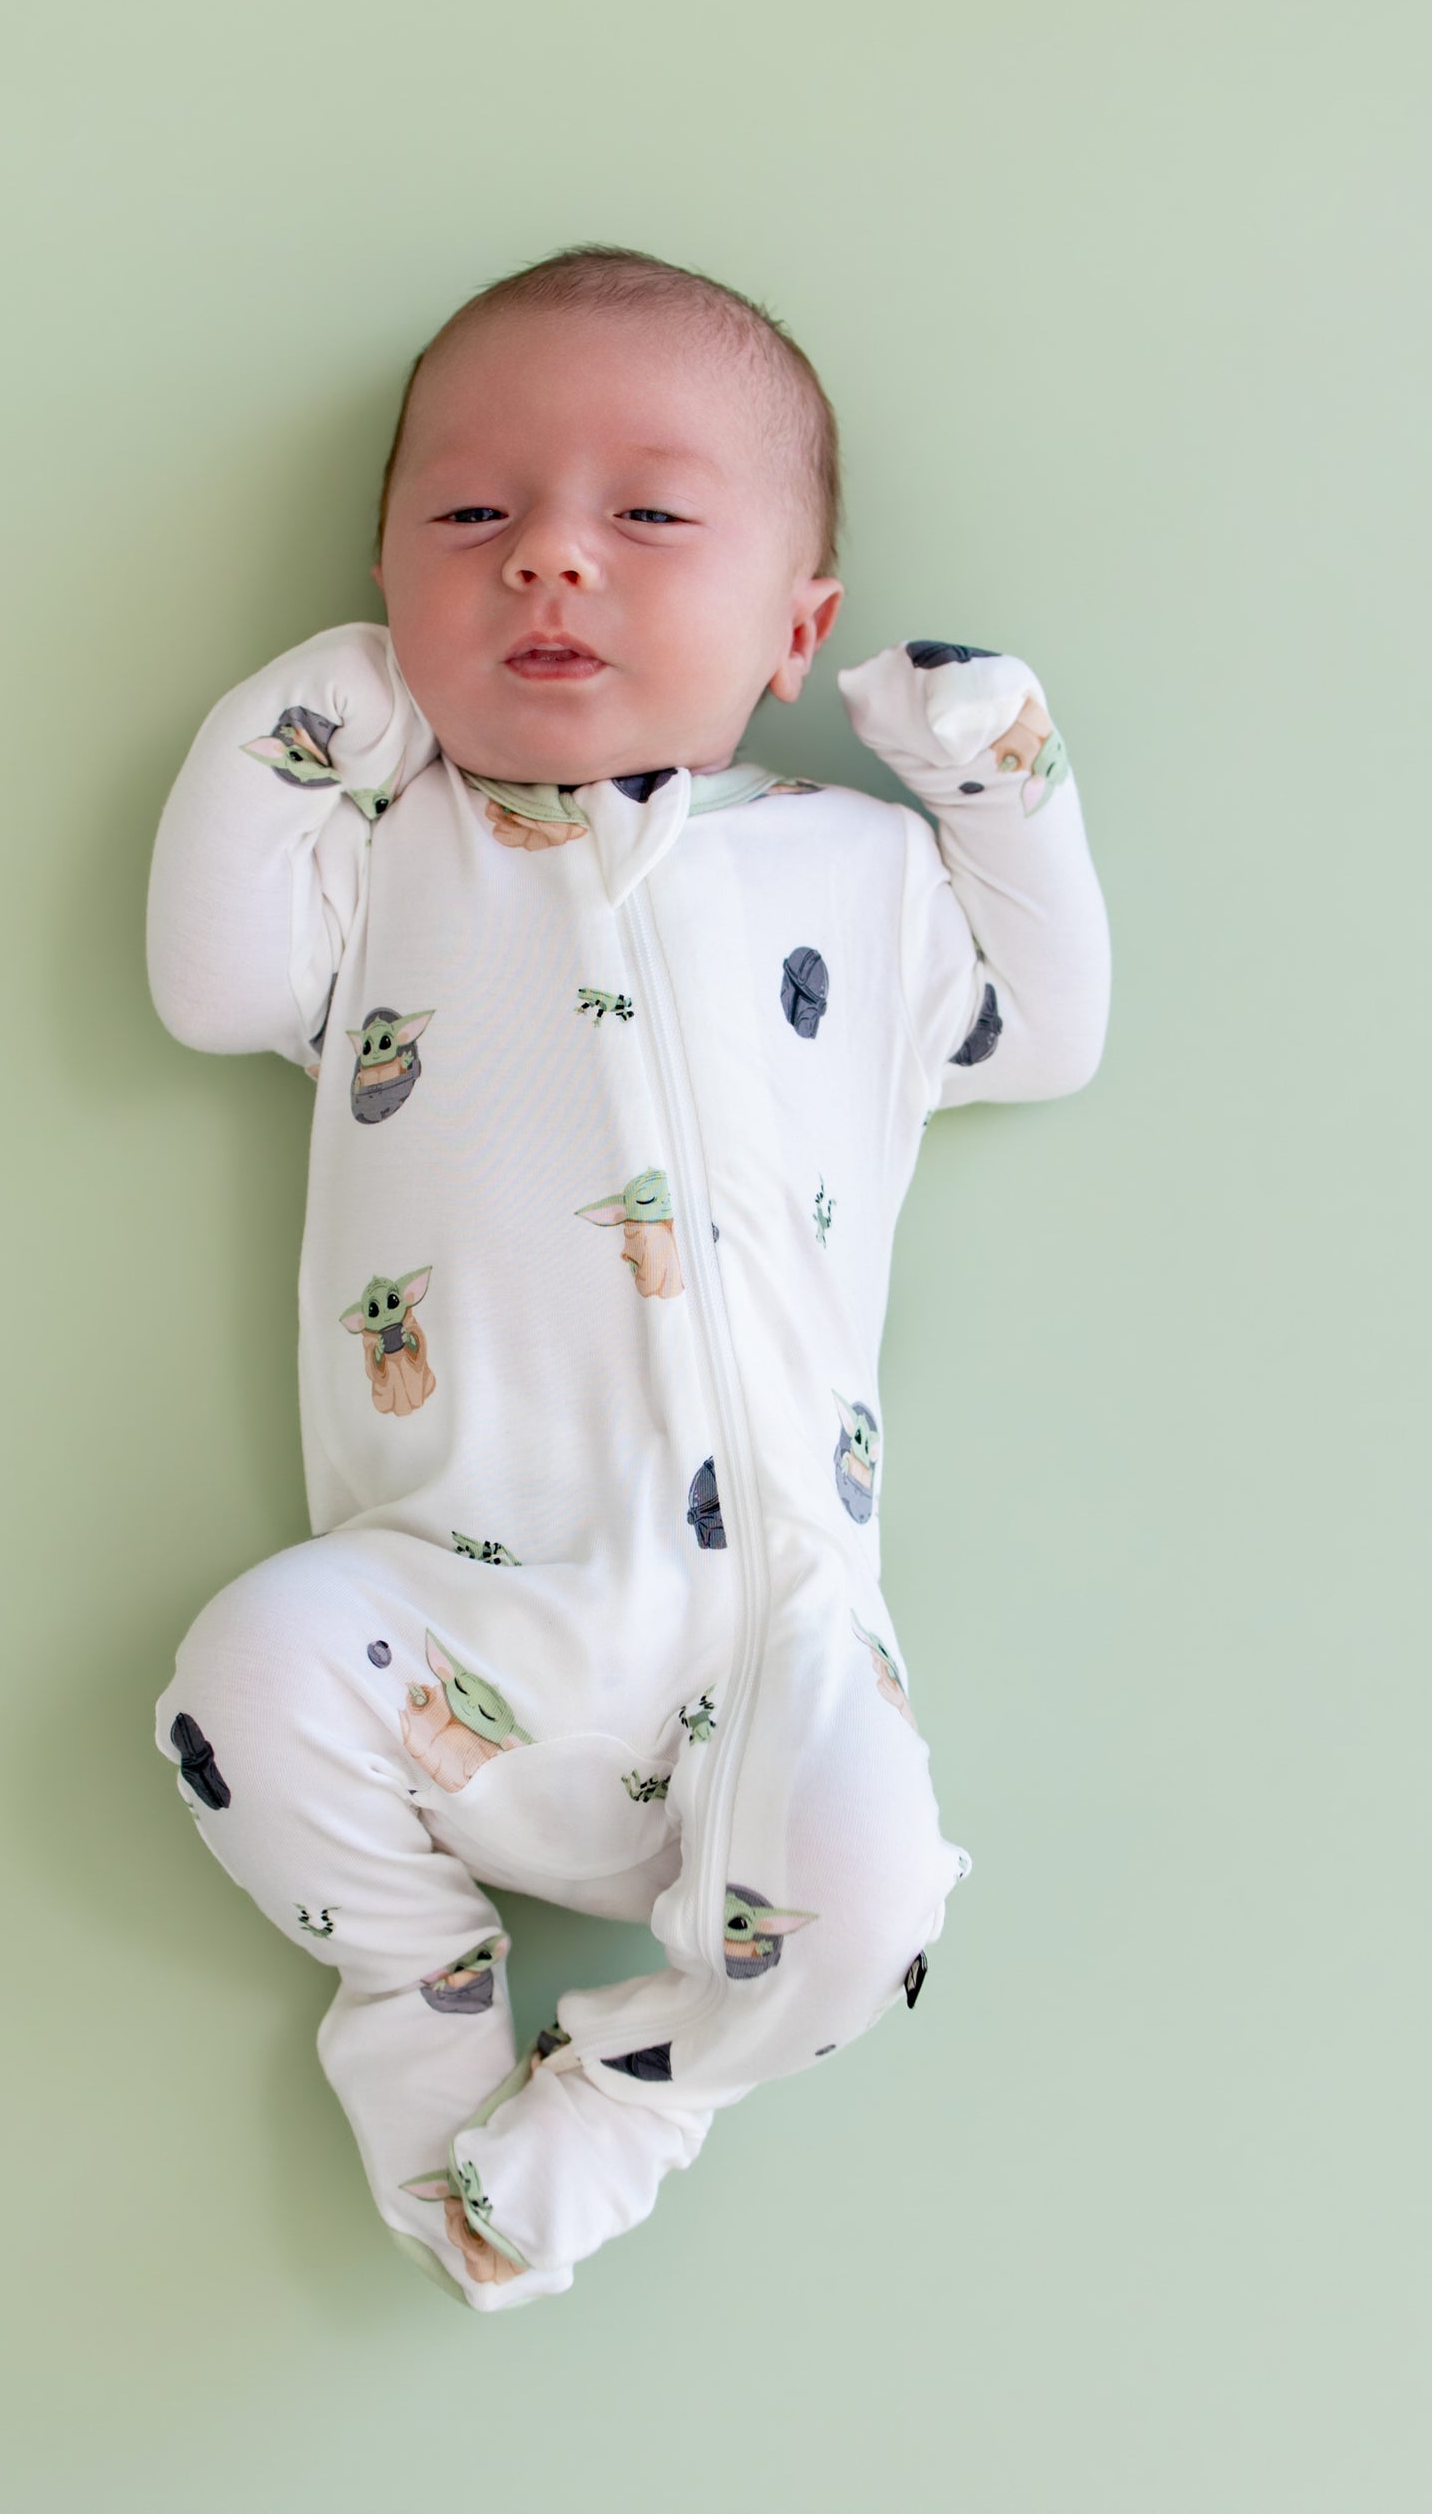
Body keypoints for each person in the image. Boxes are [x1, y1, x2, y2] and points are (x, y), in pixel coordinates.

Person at [144, 244, 1111, 2309]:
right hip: (445, 1621)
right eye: (471, 520)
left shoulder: (860, 878)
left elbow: (1047, 1026)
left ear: (797, 624)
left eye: (648, 516)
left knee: (876, 1903)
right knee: (241, 1672)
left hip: (769, 1642)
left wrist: (1000, 784)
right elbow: (209, 982)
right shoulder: (388, 858)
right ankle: (418, 1997)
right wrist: (302, 719)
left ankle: (635, 2097)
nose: (550, 565)